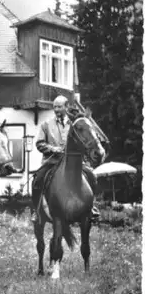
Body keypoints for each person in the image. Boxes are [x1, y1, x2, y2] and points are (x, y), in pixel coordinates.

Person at [31, 95, 100, 223]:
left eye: (59, 107)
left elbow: (82, 141)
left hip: (73, 162)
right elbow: (39, 143)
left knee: (91, 175)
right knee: (37, 179)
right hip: (51, 161)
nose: (56, 110)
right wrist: (53, 149)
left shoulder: (75, 124)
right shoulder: (46, 125)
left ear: (66, 107)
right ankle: (37, 210)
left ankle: (91, 207)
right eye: (54, 107)